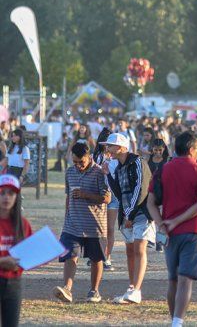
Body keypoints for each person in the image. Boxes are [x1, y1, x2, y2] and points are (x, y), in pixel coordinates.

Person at [147, 131, 197, 327]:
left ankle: (173, 321)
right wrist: (177, 221)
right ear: (191, 150)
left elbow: (150, 203)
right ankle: (177, 322)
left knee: (172, 280)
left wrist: (162, 224)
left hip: (170, 234)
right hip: (193, 231)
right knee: (185, 280)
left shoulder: (163, 170)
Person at [53, 143, 110, 304]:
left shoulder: (100, 173)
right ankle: (67, 289)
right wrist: (66, 216)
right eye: (75, 162)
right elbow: (68, 196)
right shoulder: (70, 172)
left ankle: (94, 291)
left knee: (96, 259)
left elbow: (107, 198)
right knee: (70, 255)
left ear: (89, 157)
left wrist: (86, 194)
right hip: (73, 223)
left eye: (81, 162)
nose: (77, 165)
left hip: (94, 225)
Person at [103, 133, 154, 304]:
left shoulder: (137, 162)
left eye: (110, 145)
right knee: (130, 251)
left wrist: (130, 214)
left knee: (139, 249)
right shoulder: (118, 167)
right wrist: (108, 175)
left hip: (141, 213)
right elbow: (118, 192)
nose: (108, 149)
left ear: (122, 148)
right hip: (127, 215)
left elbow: (141, 189)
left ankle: (137, 290)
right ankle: (131, 288)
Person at [0, 175, 32, 327]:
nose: (6, 197)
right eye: (2, 193)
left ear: (17, 197)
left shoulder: (23, 224)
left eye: (11, 193)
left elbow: (30, 254)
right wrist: (2, 262)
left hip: (14, 283)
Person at [93, 128, 117, 271]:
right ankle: (97, 256)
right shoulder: (96, 156)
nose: (108, 146)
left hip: (113, 195)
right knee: (98, 228)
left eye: (110, 143)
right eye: (106, 143)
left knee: (110, 228)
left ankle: (107, 257)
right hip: (99, 193)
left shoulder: (118, 157)